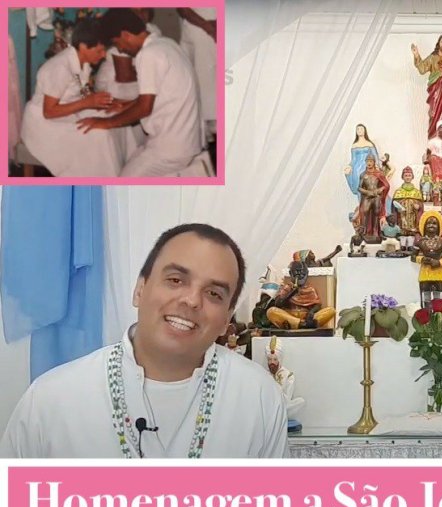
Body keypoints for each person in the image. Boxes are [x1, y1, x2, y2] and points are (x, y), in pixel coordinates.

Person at [0, 223, 288, 458]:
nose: (191, 300)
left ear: (226, 319)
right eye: (175, 280)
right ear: (140, 289)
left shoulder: (258, 397)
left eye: (214, 294)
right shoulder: (52, 399)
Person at [78, 9, 203, 177]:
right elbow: (155, 96)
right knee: (128, 162)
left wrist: (106, 123)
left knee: (123, 182)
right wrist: (124, 105)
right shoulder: (167, 44)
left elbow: (145, 108)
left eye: (117, 43)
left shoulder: (148, 54)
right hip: (185, 141)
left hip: (171, 148)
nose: (120, 49)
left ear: (125, 34)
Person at [19, 19, 126, 177]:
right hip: (44, 123)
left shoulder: (83, 62)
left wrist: (106, 104)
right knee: (100, 134)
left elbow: (82, 93)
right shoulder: (59, 68)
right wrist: (87, 103)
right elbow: (49, 112)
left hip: (67, 111)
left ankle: (119, 174)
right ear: (83, 47)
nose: (104, 55)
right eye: (100, 51)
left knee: (114, 119)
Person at [177, 8, 217, 142]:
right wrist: (207, 26)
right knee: (202, 79)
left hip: (210, 28)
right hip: (201, 28)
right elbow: (182, 8)